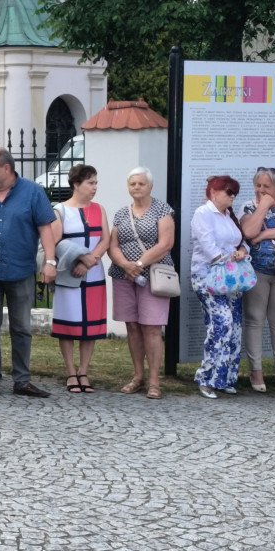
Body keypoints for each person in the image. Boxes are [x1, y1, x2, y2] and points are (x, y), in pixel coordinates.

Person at [0, 147, 57, 398]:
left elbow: (45, 228)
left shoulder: (32, 192)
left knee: (21, 327)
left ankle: (22, 380)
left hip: (20, 270)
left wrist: (50, 262)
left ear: (6, 168)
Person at [107, 167, 175, 400]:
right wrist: (125, 265)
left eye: (141, 184)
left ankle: (155, 381)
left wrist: (138, 264)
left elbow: (166, 243)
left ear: (150, 187)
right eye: (132, 184)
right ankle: (138, 376)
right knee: (132, 327)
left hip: (153, 275)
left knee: (152, 328)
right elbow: (112, 244)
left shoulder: (162, 209)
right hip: (123, 275)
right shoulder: (121, 213)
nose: (136, 187)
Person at [50, 164, 109, 394]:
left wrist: (91, 260)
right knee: (69, 324)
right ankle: (70, 372)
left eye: (96, 182)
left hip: (93, 273)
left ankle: (84, 371)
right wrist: (79, 261)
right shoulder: (60, 210)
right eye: (90, 183)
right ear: (76, 184)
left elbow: (105, 238)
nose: (95, 187)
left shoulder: (99, 209)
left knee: (89, 326)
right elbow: (55, 242)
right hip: (70, 274)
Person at [191, 175, 251, 399]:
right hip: (208, 277)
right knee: (222, 323)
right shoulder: (203, 214)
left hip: (232, 278)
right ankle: (206, 378)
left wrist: (242, 251)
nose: (233, 196)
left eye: (235, 192)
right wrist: (228, 257)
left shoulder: (229, 217)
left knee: (235, 327)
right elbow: (208, 246)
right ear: (214, 192)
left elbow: (241, 241)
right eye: (229, 192)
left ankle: (225, 378)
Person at [240, 167, 275, 393]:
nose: (261, 190)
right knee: (254, 319)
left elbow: (257, 235)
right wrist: (263, 206)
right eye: (258, 185)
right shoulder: (249, 206)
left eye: (267, 186)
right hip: (257, 271)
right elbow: (248, 231)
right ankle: (256, 371)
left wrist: (264, 235)